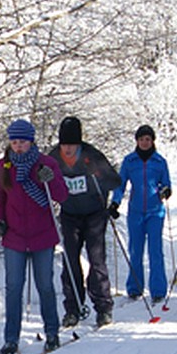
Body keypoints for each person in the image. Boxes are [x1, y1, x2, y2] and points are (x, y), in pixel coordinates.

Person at [0, 118, 69, 354]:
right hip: (13, 236)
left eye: (22, 142)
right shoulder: (4, 166)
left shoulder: (45, 164)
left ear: (31, 141)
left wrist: (51, 179)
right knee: (13, 287)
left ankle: (52, 332)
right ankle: (11, 339)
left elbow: (61, 196)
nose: (18, 146)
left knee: (45, 285)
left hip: (42, 236)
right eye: (14, 142)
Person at [47, 116, 121, 329]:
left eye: (72, 145)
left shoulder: (91, 156)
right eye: (64, 145)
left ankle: (103, 308)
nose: (68, 150)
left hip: (94, 215)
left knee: (96, 260)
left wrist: (98, 177)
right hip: (70, 215)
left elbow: (114, 180)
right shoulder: (53, 158)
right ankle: (73, 308)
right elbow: (41, 179)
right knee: (70, 261)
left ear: (79, 144)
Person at [110, 124, 172, 304]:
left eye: (148, 139)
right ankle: (135, 287)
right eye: (141, 139)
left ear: (152, 141)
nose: (145, 142)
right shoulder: (130, 161)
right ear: (136, 141)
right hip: (136, 212)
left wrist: (166, 191)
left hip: (155, 212)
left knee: (155, 250)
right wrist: (115, 203)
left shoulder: (159, 162)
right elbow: (120, 185)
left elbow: (166, 183)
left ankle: (158, 290)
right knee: (135, 250)